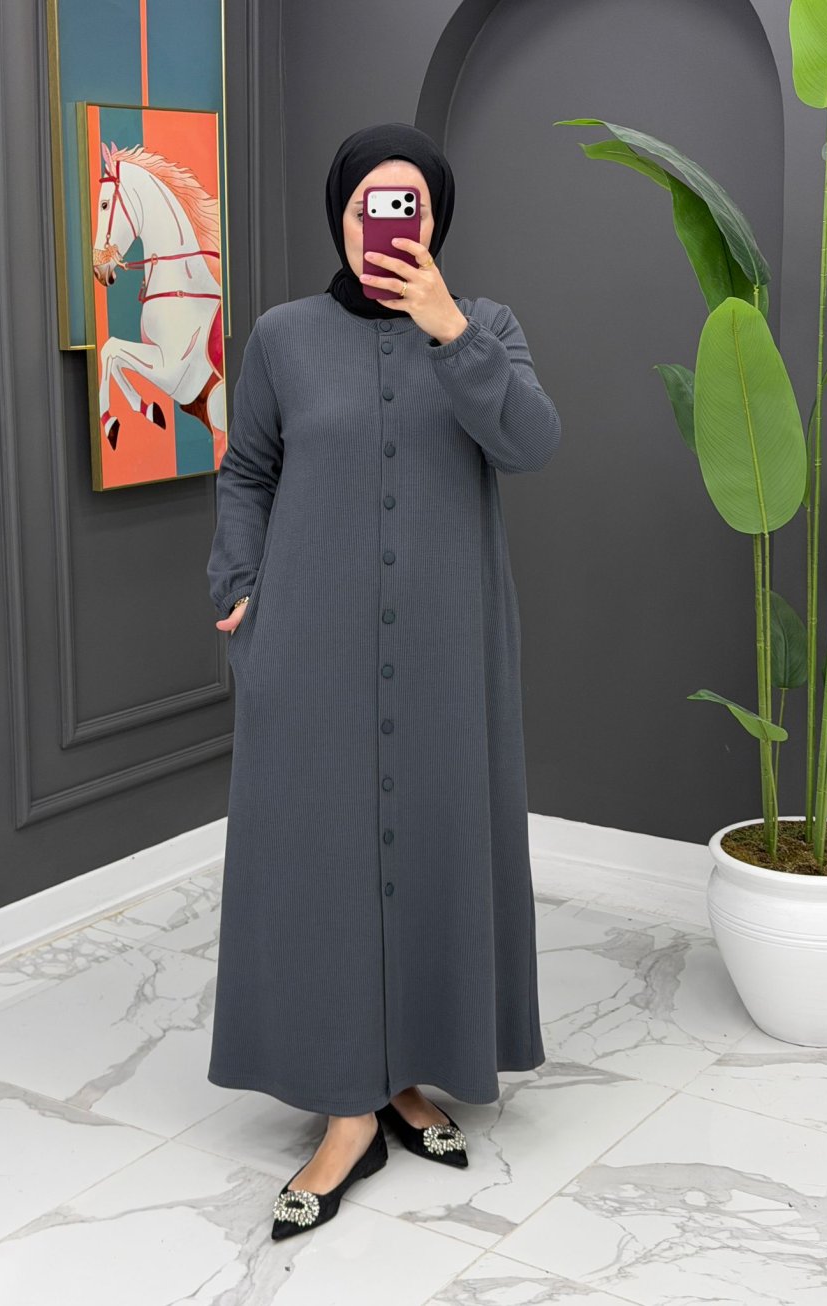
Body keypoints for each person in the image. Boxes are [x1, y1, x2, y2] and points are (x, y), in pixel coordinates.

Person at [205, 122, 562, 1240]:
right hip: (308, 642)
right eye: (370, 204)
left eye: (409, 204)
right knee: (322, 863)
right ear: (341, 215)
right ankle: (347, 1111)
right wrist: (238, 580)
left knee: (434, 849)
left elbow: (532, 442)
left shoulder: (486, 325)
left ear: (436, 219)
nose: (387, 223)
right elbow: (248, 469)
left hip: (449, 649)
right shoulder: (282, 337)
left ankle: (408, 1076)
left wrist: (451, 329)